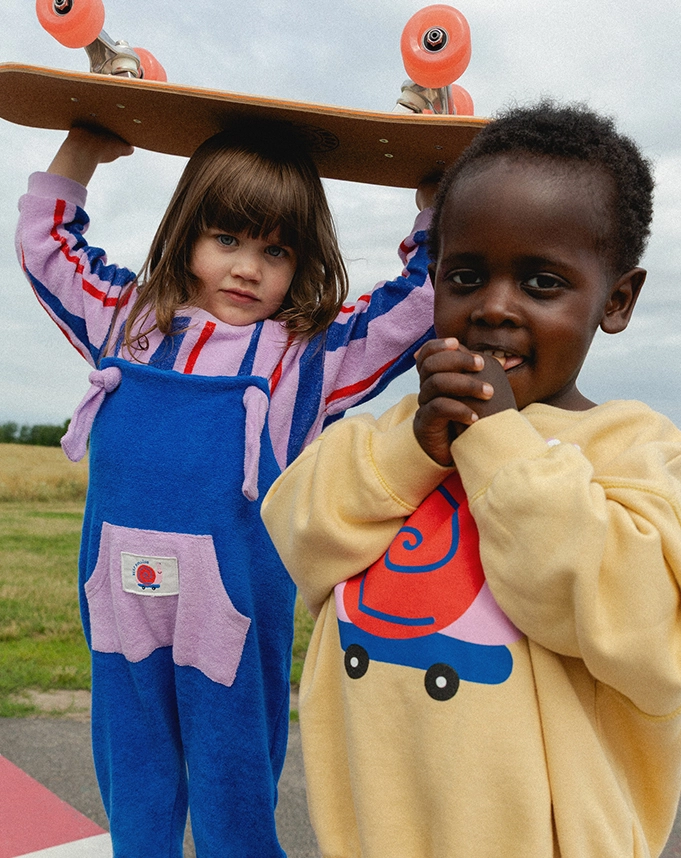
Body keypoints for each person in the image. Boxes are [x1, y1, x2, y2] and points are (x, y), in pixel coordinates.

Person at [262, 101, 681, 858]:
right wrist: (413, 453)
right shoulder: (395, 434)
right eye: (465, 276)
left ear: (615, 300)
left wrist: (496, 443)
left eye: (541, 283)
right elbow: (299, 533)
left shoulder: (637, 453)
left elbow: (647, 635)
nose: (493, 307)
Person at [15, 121, 437, 857]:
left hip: (233, 624)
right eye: (227, 239)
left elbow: (416, 304)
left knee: (233, 788)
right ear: (187, 236)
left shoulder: (306, 356)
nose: (247, 269)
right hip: (120, 607)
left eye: (276, 251)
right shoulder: (126, 321)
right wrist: (83, 147)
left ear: (301, 262)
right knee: (134, 780)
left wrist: (432, 205)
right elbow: (46, 246)